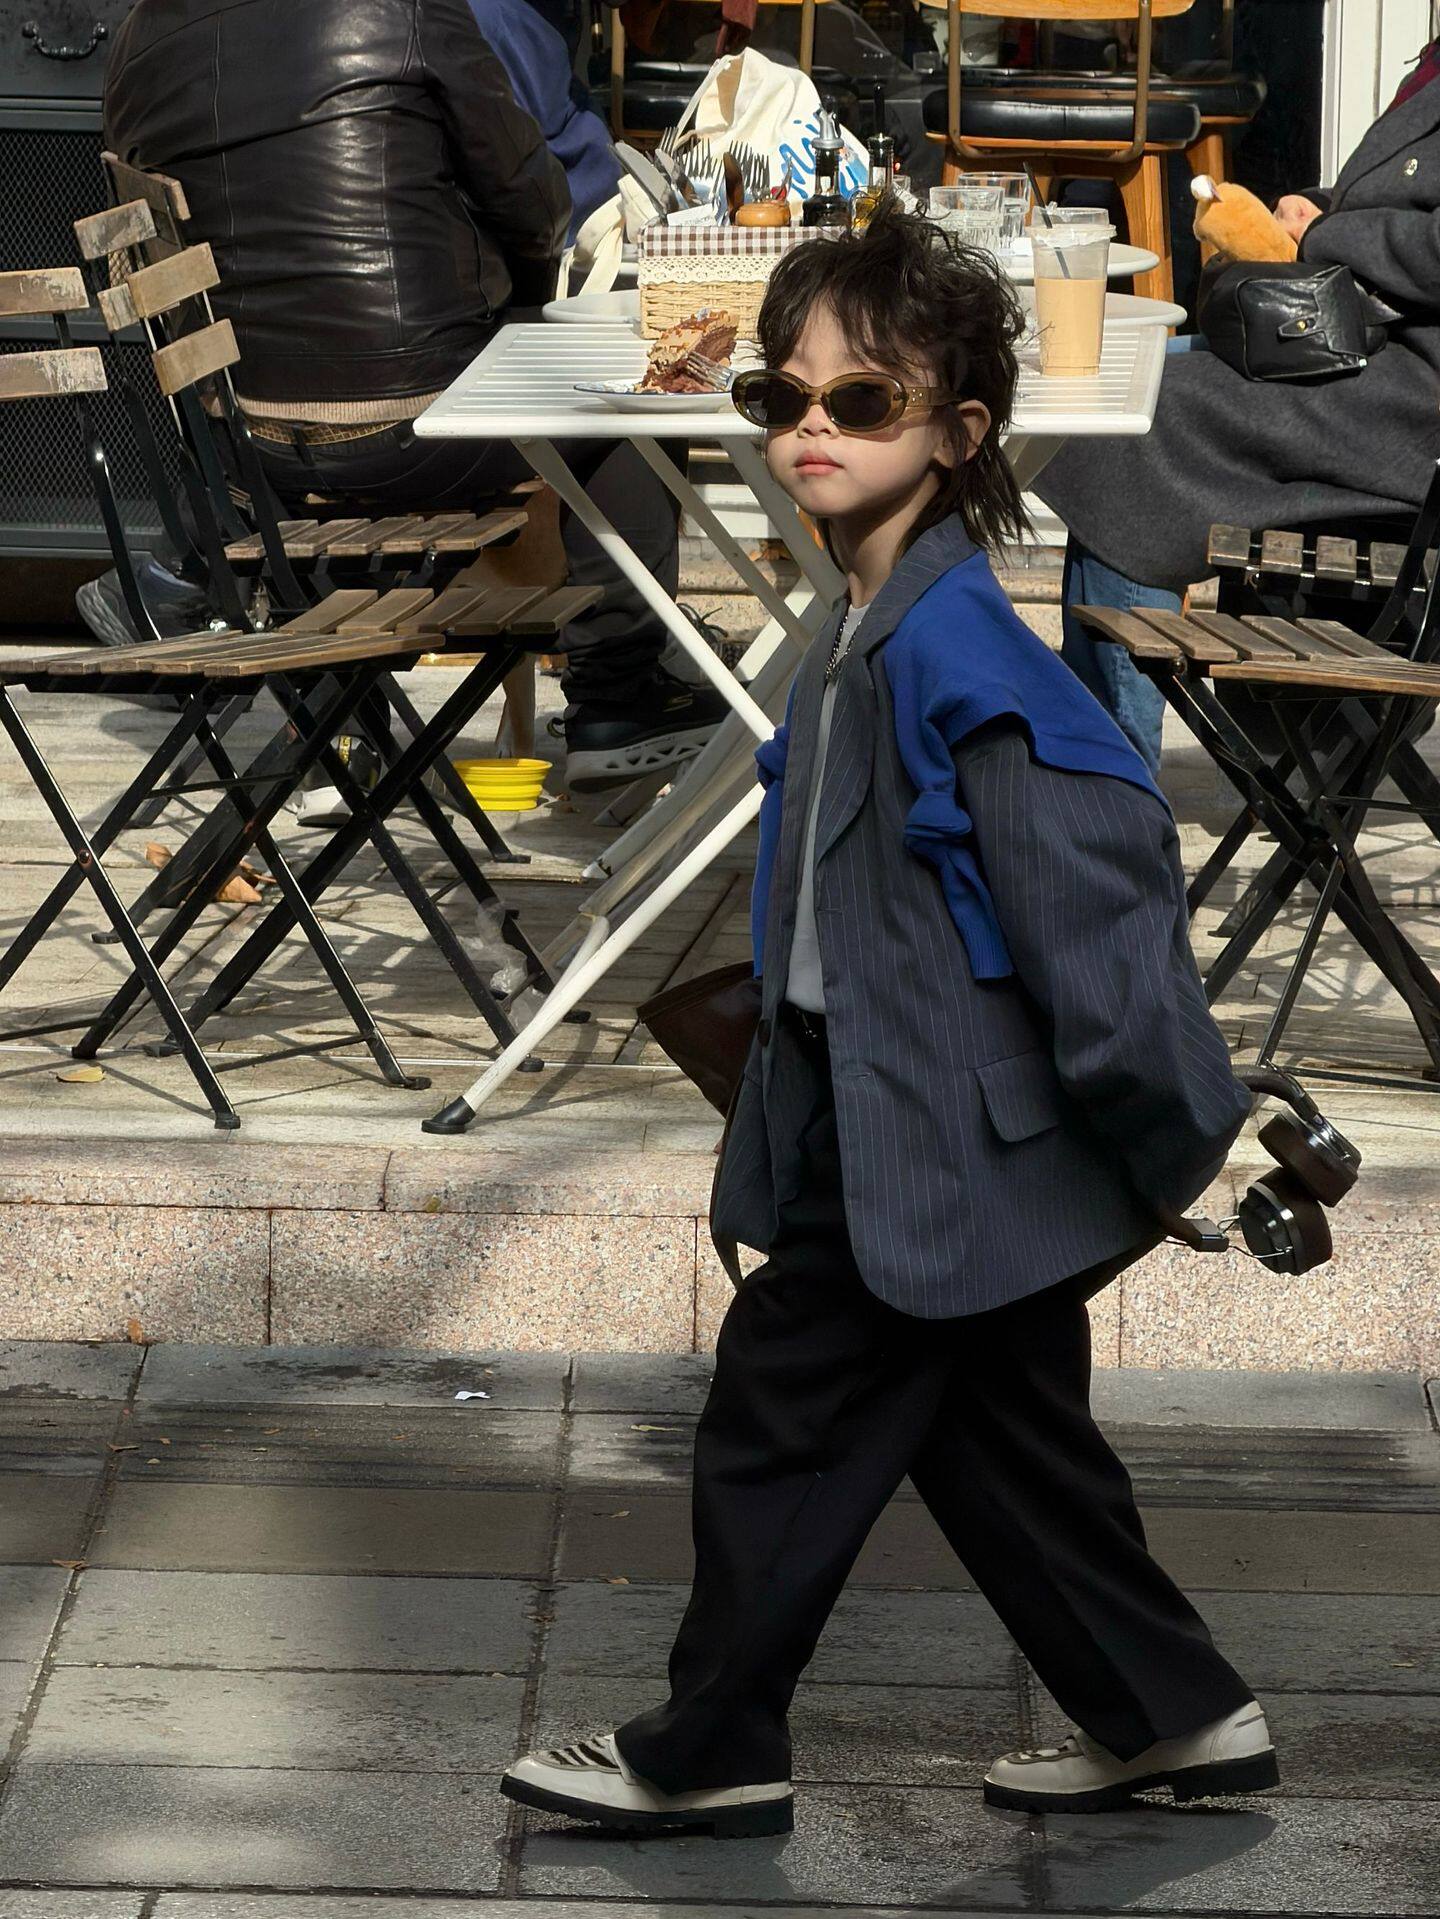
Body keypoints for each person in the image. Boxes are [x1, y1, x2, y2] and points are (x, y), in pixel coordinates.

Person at [499, 208, 1272, 1837]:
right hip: (899, 1113)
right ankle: (1179, 1716)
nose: (812, 431)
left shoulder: (964, 658)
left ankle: (713, 1743)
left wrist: (1174, 1140)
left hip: (925, 1138)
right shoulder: (871, 624)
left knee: (779, 1423)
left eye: (863, 402)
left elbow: (1099, 909)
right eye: (781, 398)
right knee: (1004, 1443)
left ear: (960, 432)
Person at [98, 0, 726, 791]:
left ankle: (339, 719)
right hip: (421, 425)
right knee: (643, 362)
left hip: (246, 452)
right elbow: (535, 204)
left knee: (341, 381)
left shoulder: (135, 41)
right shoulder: (411, 6)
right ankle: (619, 694)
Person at [1040, 38, 1440, 775]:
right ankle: (1086, 757)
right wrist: (1319, 206)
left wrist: (1322, 235)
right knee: (1123, 384)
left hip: (1414, 403)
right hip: (1371, 356)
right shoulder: (1434, 64)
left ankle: (1110, 785)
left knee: (1138, 421)